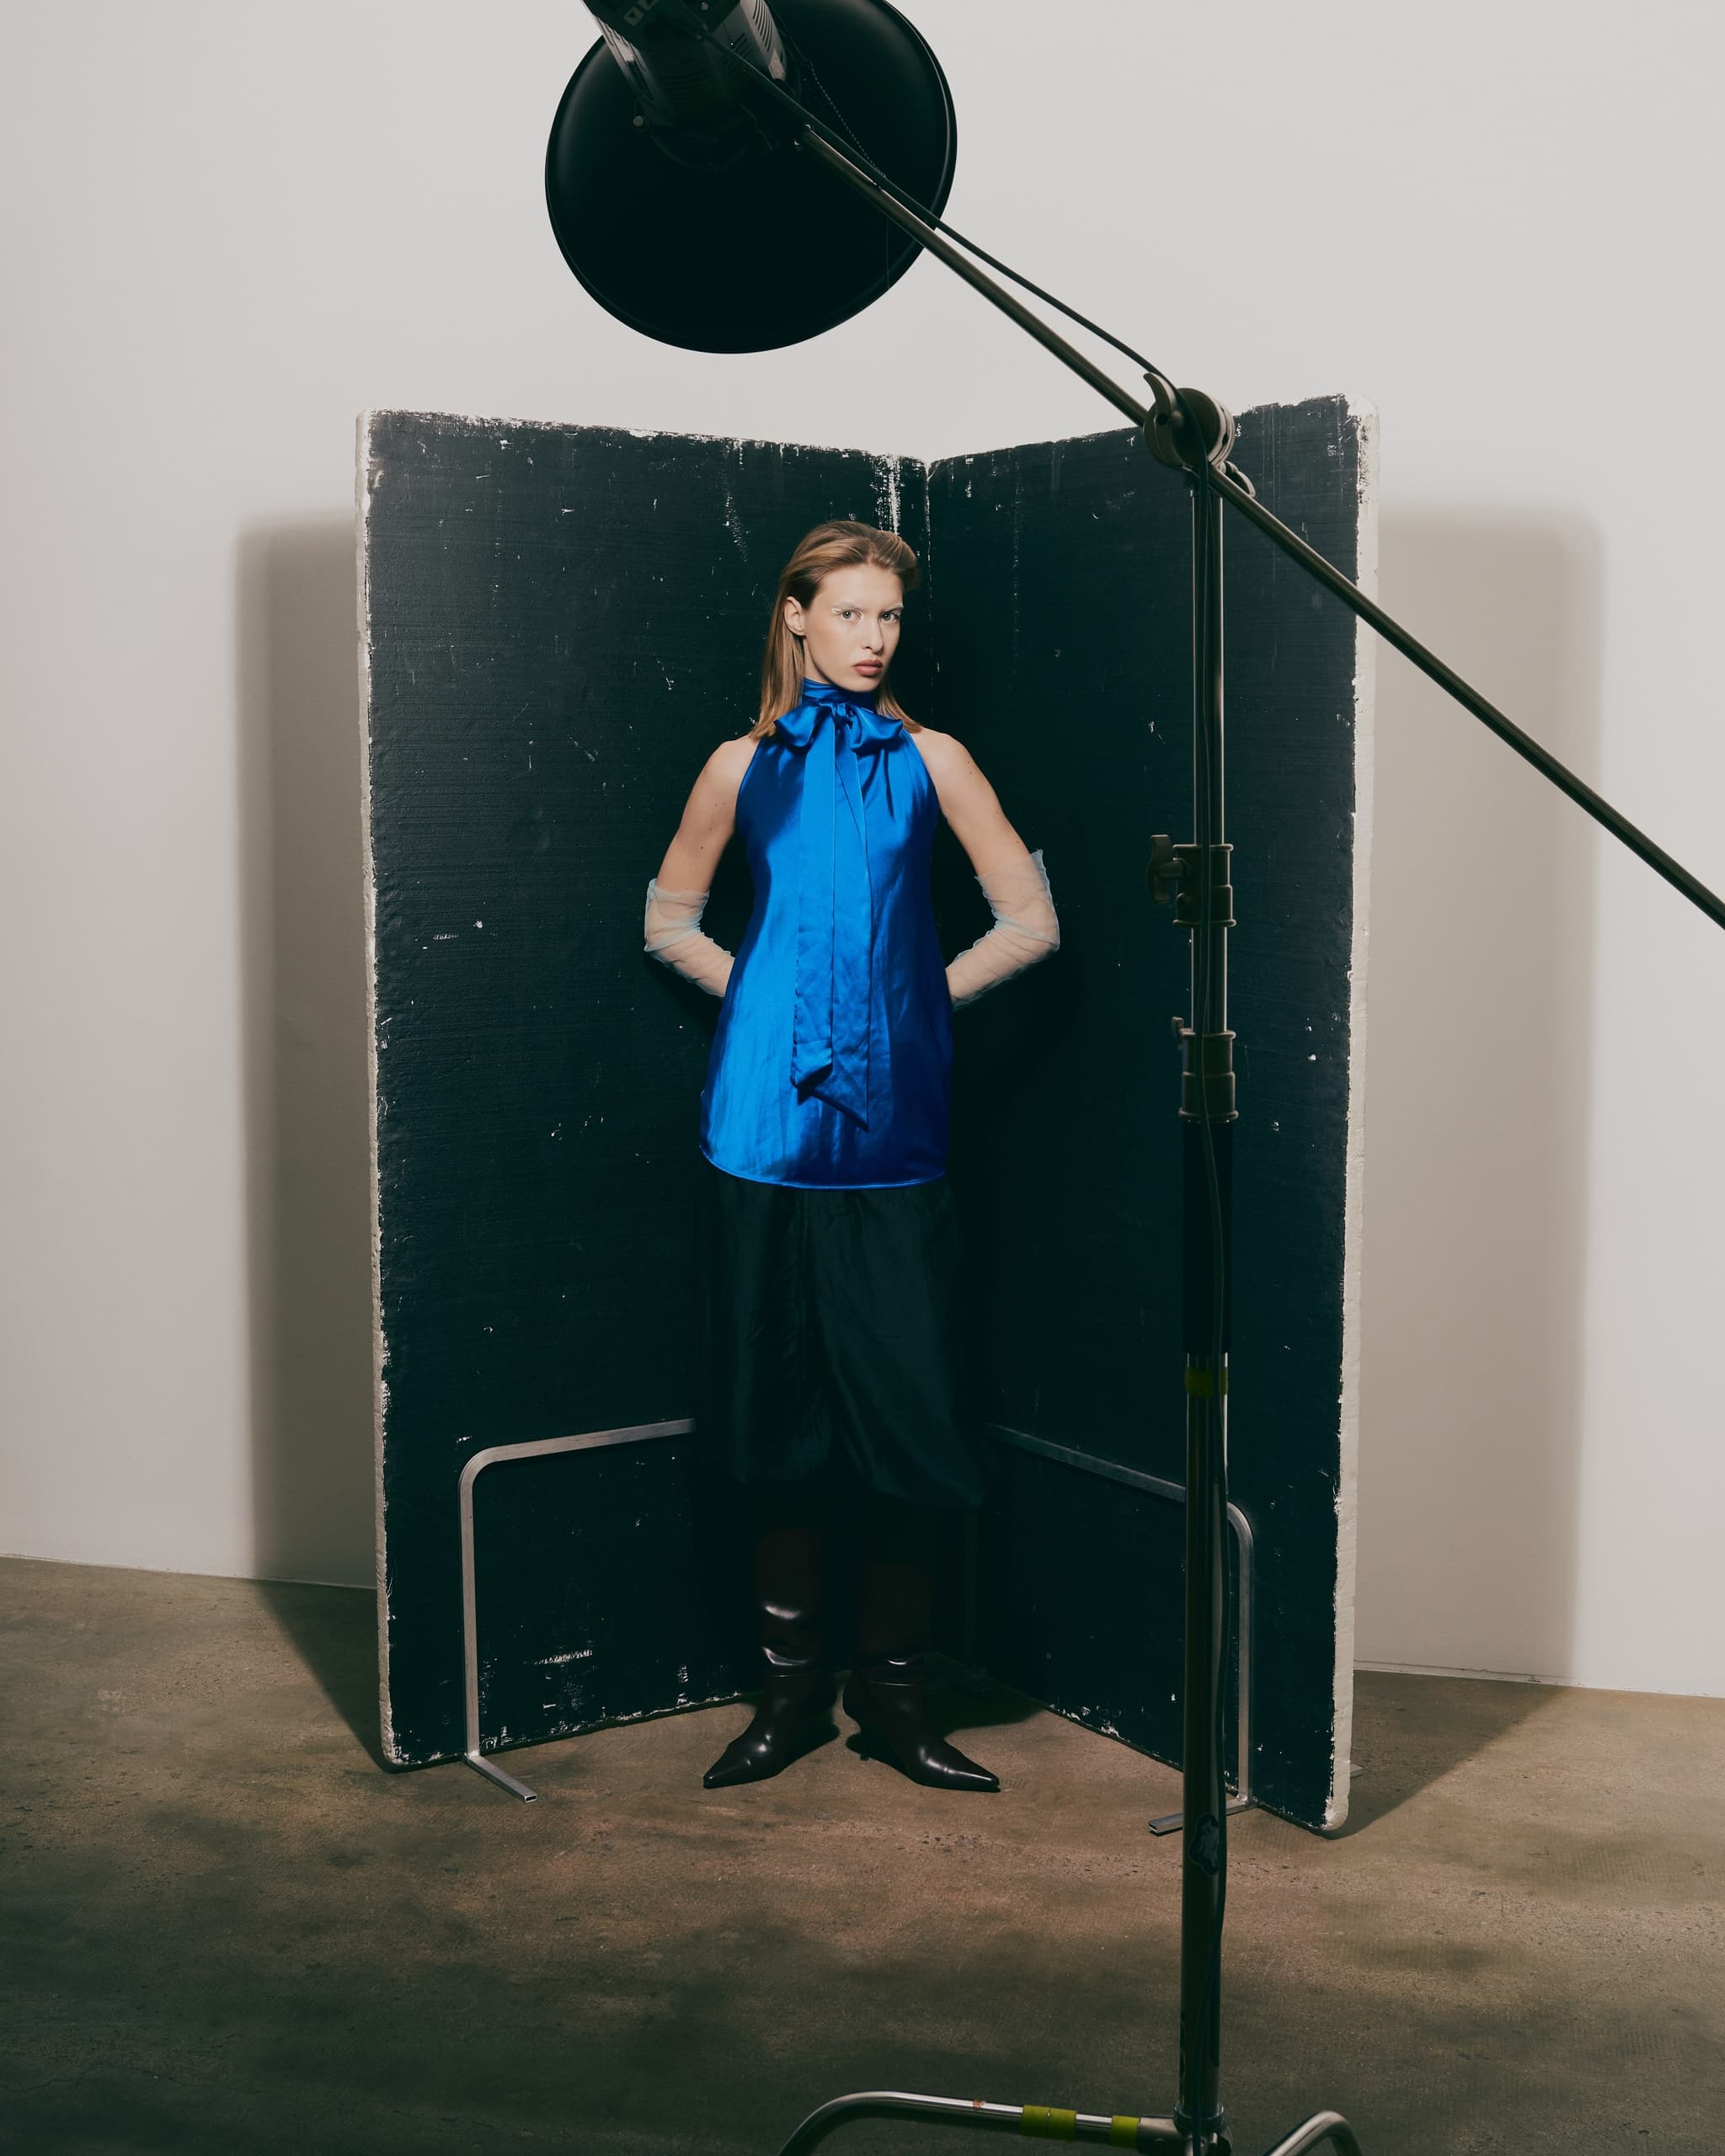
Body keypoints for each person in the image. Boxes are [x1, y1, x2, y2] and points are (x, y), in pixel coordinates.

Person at [643, 518, 1059, 1795]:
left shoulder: (935, 759)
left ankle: (895, 1699)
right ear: (796, 616)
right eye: (851, 614)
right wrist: (756, 1001)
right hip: (760, 1140)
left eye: (890, 617)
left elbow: (1031, 922)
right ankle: (788, 1699)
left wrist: (915, 1006)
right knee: (768, 1414)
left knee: (909, 1415)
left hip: (895, 1137)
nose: (874, 639)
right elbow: (665, 919)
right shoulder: (737, 765)